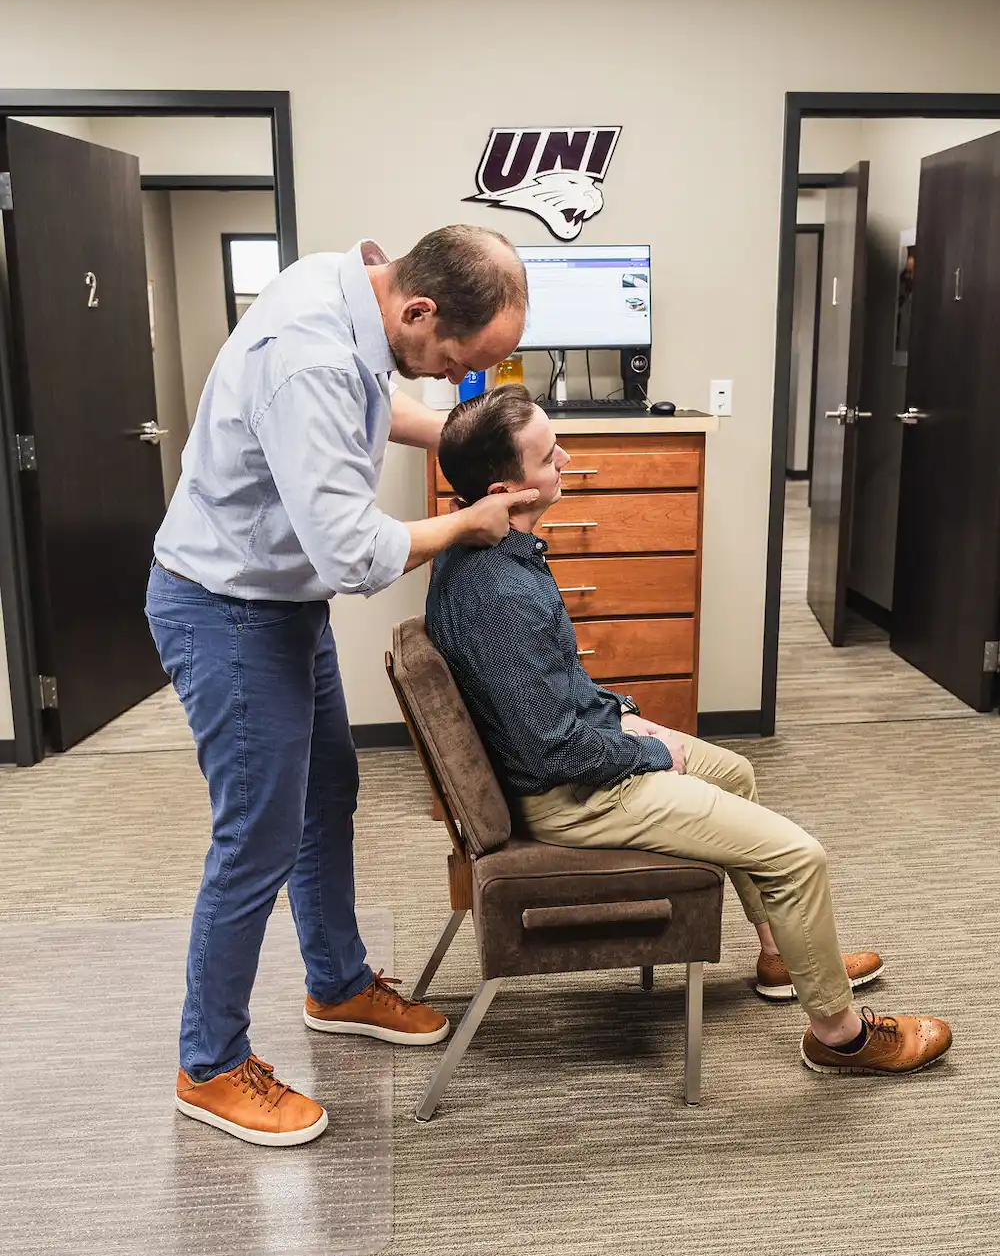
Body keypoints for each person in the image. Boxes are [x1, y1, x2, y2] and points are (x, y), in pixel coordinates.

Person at [425, 385, 953, 1080]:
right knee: (800, 857)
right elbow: (552, 749)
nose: (567, 459)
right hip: (574, 795)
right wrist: (648, 751)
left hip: (575, 760)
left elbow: (548, 689)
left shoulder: (492, 550)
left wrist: (617, 711)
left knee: (734, 771)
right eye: (552, 456)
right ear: (506, 487)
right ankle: (840, 1035)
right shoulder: (501, 593)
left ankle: (780, 957)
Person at [147, 227, 540, 1147]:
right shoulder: (313, 361)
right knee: (257, 837)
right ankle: (208, 1065)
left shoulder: (349, 282)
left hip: (279, 600)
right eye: (454, 363)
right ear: (417, 309)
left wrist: (456, 434)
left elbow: (380, 403)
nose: (449, 381)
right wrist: (469, 521)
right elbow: (356, 554)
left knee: (329, 794)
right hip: (226, 606)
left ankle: (337, 984)